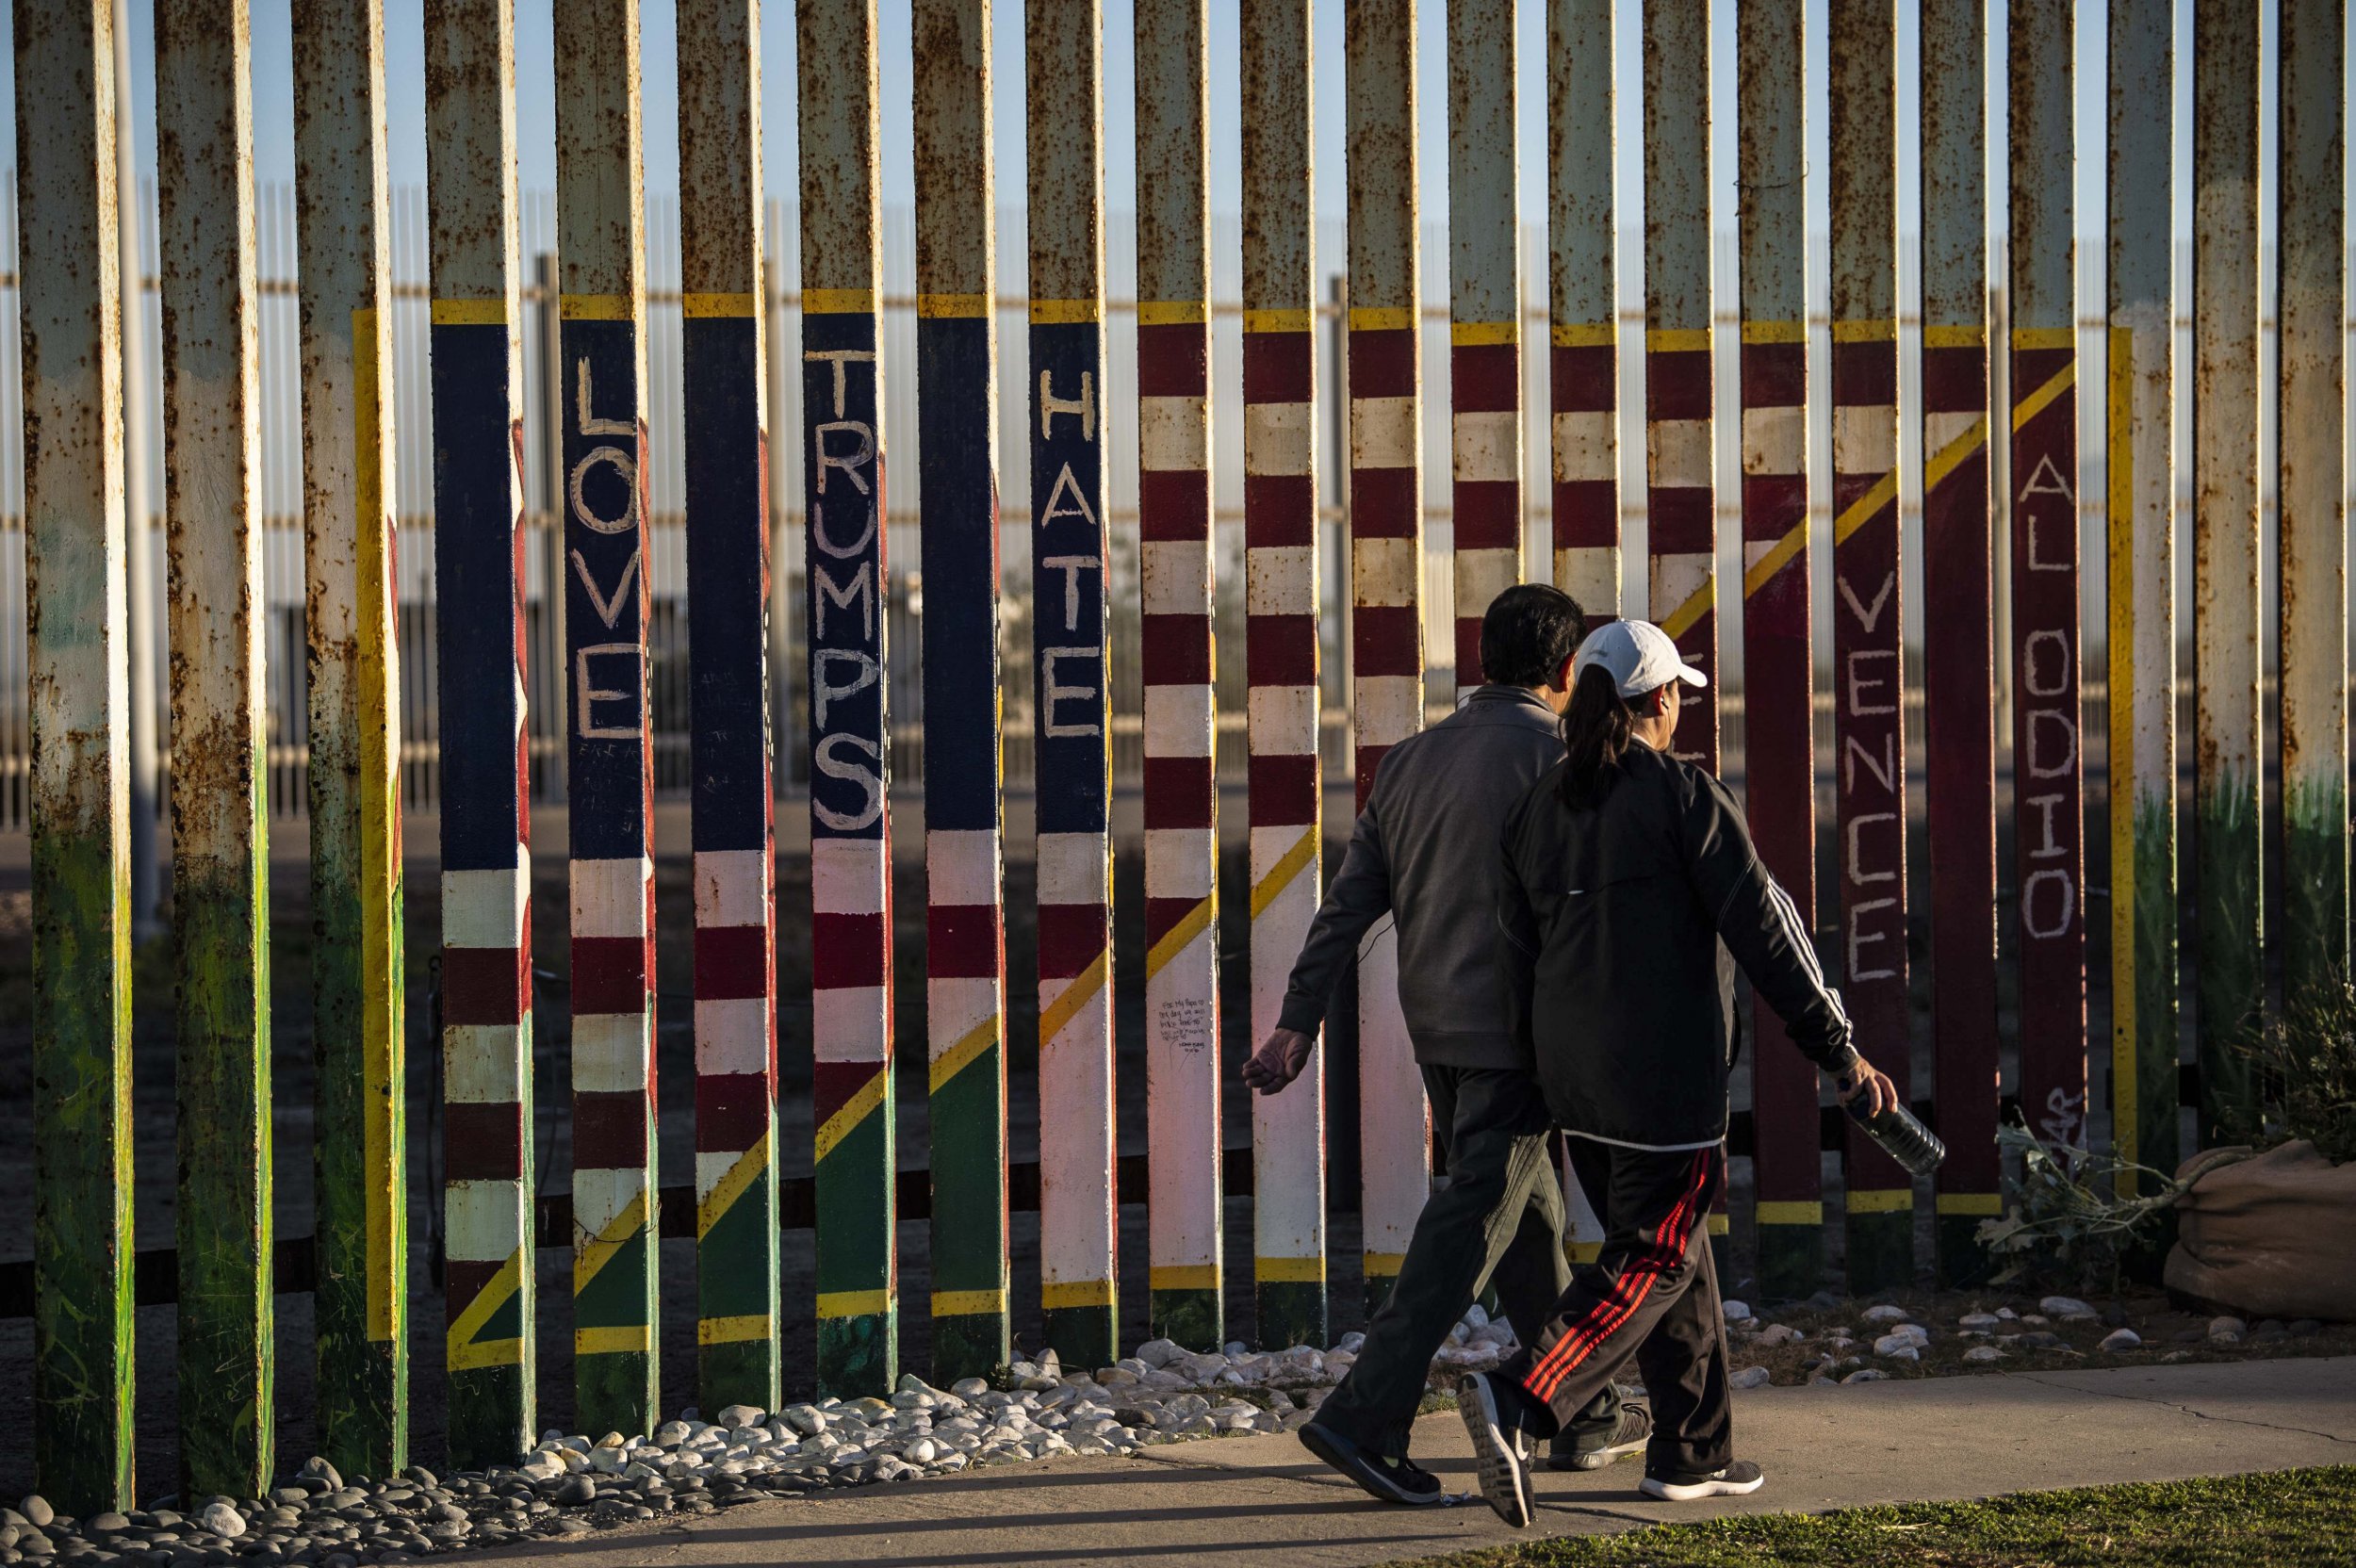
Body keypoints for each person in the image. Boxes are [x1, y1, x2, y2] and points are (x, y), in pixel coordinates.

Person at [1454, 617, 1900, 1527]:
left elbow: (1516, 956)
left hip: (1576, 1082)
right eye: (1677, 697)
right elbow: (1767, 930)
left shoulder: (1540, 808)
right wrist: (1837, 1049)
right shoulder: (1686, 796)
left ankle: (1692, 1455)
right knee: (1654, 1255)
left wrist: (1535, 1075)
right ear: (1660, 701)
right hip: (1662, 1082)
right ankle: (1521, 1397)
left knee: (1678, 1254)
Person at [1241, 583, 1651, 1507]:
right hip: (1524, 1040)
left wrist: (1295, 1021)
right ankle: (1364, 1413)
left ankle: (1578, 1409)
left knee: (1527, 1224)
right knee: (1466, 1231)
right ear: (1565, 670)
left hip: (1437, 1026)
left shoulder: (1412, 761)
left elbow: (1348, 904)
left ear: (1481, 661)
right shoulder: (1563, 757)